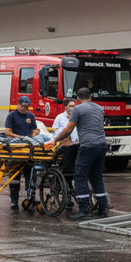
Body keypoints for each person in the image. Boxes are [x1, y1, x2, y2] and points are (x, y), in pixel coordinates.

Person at [53, 87, 109, 220]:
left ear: (77, 99)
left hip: (88, 146)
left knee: (79, 176)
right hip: (102, 145)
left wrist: (54, 140)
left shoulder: (77, 109)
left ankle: (84, 210)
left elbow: (68, 130)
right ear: (91, 97)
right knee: (96, 177)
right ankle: (103, 208)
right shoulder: (99, 108)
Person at [5, 96, 39, 209]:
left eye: (26, 107)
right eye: (22, 107)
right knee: (15, 176)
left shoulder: (30, 116)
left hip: (28, 151)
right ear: (18, 105)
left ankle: (30, 199)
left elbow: (34, 129)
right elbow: (8, 132)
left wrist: (34, 133)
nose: (24, 109)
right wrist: (20, 137)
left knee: (30, 175)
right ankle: (14, 200)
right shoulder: (11, 116)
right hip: (15, 150)